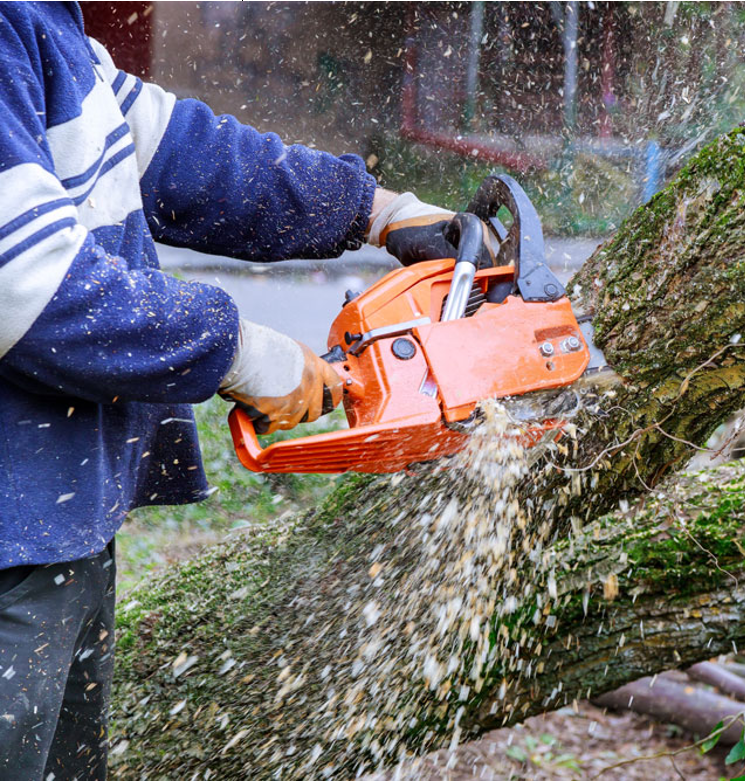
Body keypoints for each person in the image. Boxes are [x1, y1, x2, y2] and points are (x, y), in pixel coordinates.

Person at [0, 4, 487, 779]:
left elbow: (170, 149)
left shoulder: (39, 21)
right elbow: (30, 290)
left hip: (57, 524)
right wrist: (237, 351)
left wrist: (374, 210)